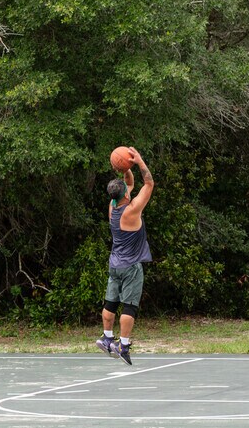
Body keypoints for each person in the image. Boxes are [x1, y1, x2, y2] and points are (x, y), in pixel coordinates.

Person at [95, 147, 154, 365]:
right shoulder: (132, 210)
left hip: (115, 264)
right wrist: (139, 161)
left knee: (111, 302)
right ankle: (124, 345)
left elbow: (128, 183)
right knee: (130, 306)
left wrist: (124, 166)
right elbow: (149, 183)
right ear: (126, 194)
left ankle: (107, 337)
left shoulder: (112, 207)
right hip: (130, 266)